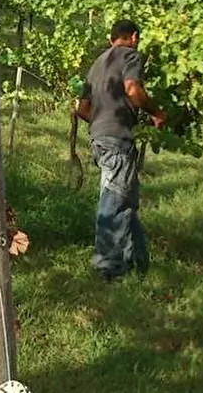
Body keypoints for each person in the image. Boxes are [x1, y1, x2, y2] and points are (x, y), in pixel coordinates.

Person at [75, 19, 166, 283]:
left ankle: (139, 264)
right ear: (134, 37)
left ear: (111, 38)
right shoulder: (131, 55)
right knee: (113, 202)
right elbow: (132, 89)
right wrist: (156, 113)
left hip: (99, 139)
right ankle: (108, 269)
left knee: (126, 202)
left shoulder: (97, 63)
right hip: (117, 138)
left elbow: (82, 109)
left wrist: (101, 122)